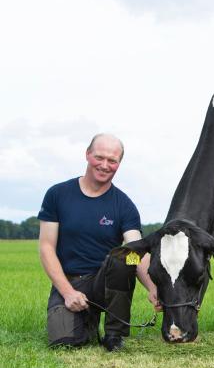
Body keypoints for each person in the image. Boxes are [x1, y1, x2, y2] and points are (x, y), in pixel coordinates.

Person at [38, 133, 160, 351]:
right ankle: (88, 320)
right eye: (99, 157)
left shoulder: (124, 205)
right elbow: (46, 247)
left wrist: (154, 287)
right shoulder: (57, 194)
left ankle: (115, 334)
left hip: (105, 282)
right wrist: (67, 292)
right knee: (65, 343)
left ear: (119, 164)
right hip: (70, 281)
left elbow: (137, 251)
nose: (105, 165)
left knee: (123, 257)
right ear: (87, 155)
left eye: (112, 161)